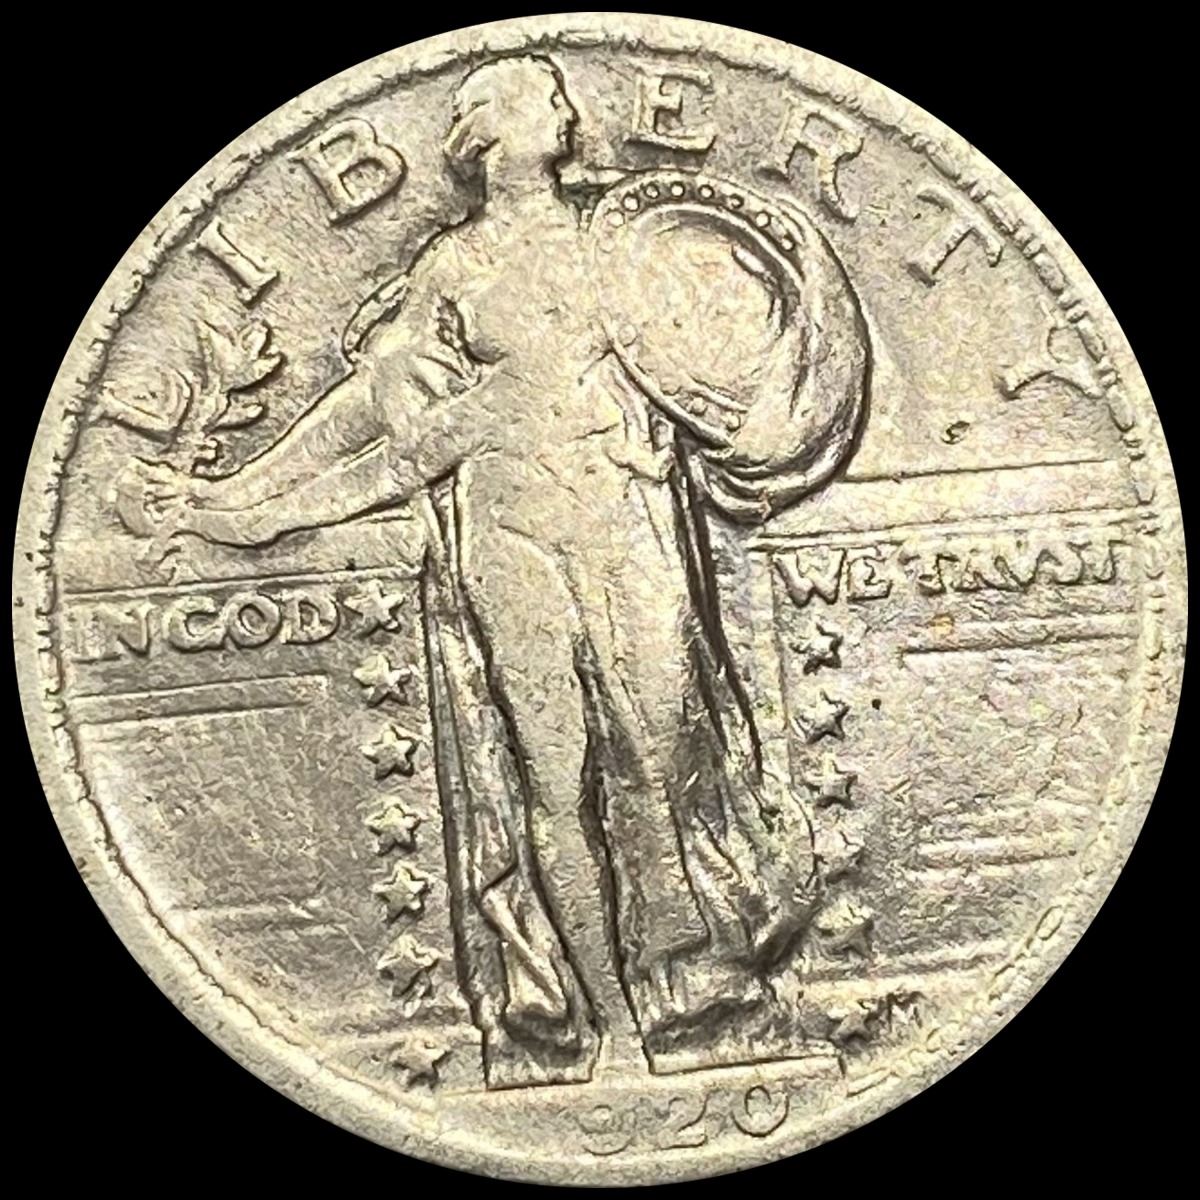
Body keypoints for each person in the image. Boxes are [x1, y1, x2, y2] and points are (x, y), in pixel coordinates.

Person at [117, 55, 869, 1085]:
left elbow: (716, 357)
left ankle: (696, 1000)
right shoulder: (452, 268)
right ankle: (599, 1029)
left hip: (628, 525)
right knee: (553, 783)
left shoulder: (622, 236)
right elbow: (378, 418)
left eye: (557, 96)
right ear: (486, 135)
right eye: (539, 98)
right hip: (510, 541)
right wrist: (239, 503)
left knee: (664, 767)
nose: (564, 107)